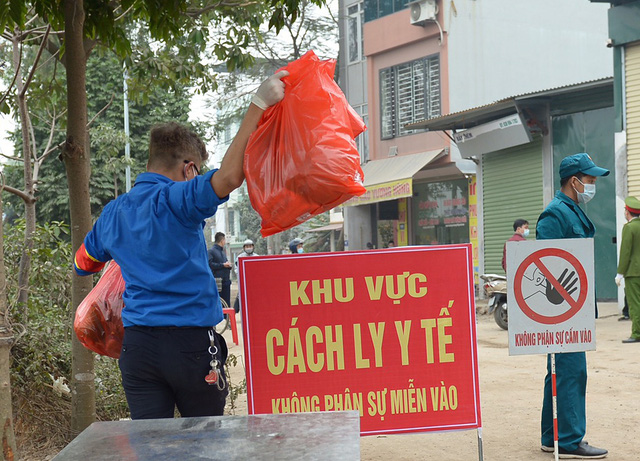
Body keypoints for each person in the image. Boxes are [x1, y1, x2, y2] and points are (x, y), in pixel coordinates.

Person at [73, 71, 288, 420]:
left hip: (138, 349)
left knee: (151, 448)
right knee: (202, 447)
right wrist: (258, 105)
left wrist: (127, 253)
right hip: (189, 348)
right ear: (189, 169)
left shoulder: (113, 214)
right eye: (198, 170)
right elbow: (230, 177)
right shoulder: (180, 199)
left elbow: (83, 263)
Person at [536, 153, 609, 458]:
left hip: (572, 307)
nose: (592, 184)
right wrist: (563, 305)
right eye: (589, 179)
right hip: (563, 310)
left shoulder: (571, 209)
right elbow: (545, 264)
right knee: (569, 370)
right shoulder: (555, 214)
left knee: (560, 371)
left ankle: (551, 436)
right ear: (574, 181)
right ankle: (568, 441)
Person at [616, 196, 640, 343]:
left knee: (635, 303)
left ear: (627, 212)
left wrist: (620, 273)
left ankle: (637, 333)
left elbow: (625, 252)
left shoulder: (629, 228)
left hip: (633, 272)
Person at [233, 239, 258, 313]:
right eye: (247, 246)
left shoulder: (257, 257)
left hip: (254, 282)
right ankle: (233, 315)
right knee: (240, 297)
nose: (248, 248)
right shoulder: (239, 258)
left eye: (250, 246)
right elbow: (236, 269)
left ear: (253, 247)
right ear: (244, 248)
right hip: (243, 281)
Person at [209, 232, 232, 308]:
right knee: (219, 302)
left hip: (226, 281)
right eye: (224, 240)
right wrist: (222, 265)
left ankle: (227, 318)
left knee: (227, 302)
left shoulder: (222, 252)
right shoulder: (211, 251)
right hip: (218, 281)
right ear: (222, 240)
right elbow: (210, 264)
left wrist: (228, 265)